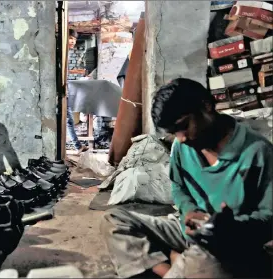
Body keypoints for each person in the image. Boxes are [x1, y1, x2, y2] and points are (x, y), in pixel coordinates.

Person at [101, 78, 272, 278]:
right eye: (174, 132)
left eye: (183, 126)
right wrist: (189, 211)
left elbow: (269, 217)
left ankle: (174, 263)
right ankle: (174, 269)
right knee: (115, 220)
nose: (181, 138)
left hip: (230, 245)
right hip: (188, 231)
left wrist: (232, 228)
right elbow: (178, 187)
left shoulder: (258, 153)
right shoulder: (183, 147)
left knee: (203, 260)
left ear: (206, 106)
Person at [66, 28, 88, 153]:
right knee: (68, 120)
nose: (73, 41)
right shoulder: (59, 52)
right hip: (58, 92)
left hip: (64, 90)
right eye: (70, 38)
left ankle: (77, 146)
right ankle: (77, 146)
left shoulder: (66, 53)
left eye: (74, 39)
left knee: (68, 119)